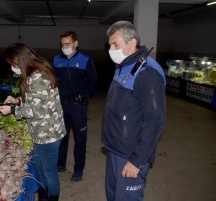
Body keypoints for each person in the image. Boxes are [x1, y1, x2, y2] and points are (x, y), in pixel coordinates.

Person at [102, 20, 166, 201]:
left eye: (116, 44)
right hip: (115, 148)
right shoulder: (124, 66)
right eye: (110, 45)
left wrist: (137, 160)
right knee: (113, 195)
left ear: (131, 43)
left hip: (130, 154)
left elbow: (156, 120)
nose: (111, 49)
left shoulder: (147, 74)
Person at [0, 43, 66, 201]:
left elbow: (36, 110)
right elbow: (36, 101)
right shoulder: (32, 74)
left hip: (49, 134)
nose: (12, 67)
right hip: (40, 132)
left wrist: (12, 110)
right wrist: (18, 101)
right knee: (40, 168)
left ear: (19, 61)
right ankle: (44, 194)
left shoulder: (38, 77)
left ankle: (52, 197)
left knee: (49, 172)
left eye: (12, 64)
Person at [53, 31, 98, 181]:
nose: (64, 47)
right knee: (62, 137)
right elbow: (53, 81)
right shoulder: (56, 60)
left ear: (75, 44)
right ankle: (60, 164)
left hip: (78, 107)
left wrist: (84, 96)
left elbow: (93, 82)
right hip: (61, 105)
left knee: (80, 139)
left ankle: (78, 169)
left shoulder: (85, 60)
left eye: (67, 44)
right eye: (62, 44)